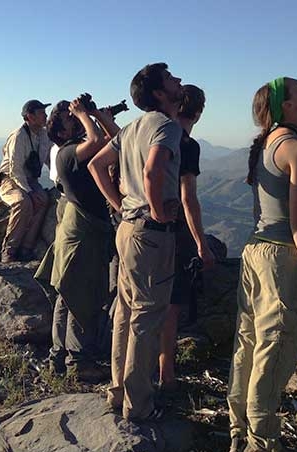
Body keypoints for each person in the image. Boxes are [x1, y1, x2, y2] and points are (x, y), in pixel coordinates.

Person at [226, 77, 297, 452]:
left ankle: (239, 429)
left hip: (254, 252)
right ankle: (261, 445)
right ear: (287, 105)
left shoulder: (267, 143)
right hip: (282, 257)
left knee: (248, 342)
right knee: (276, 347)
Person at [88, 63, 184, 421]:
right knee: (146, 315)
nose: (179, 81)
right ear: (159, 93)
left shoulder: (130, 129)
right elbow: (152, 170)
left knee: (125, 312)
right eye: (172, 79)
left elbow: (97, 166)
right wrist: (157, 210)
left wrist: (120, 205)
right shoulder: (166, 127)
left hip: (127, 228)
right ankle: (139, 405)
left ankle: (118, 393)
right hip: (151, 234)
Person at [42, 96, 120, 381]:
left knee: (67, 294)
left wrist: (97, 115)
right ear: (61, 132)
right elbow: (98, 141)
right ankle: (79, 363)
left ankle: (59, 359)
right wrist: (87, 116)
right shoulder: (67, 153)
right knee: (80, 296)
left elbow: (117, 141)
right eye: (68, 118)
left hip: (81, 229)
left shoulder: (73, 150)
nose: (74, 119)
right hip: (81, 233)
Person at [157, 84, 216, 392]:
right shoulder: (186, 144)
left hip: (132, 226)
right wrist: (202, 244)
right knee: (171, 304)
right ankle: (166, 374)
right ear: (198, 112)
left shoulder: (150, 134)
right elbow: (188, 198)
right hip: (172, 231)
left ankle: (130, 372)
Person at [0, 100, 52, 263]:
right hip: (9, 179)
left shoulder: (43, 135)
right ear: (30, 117)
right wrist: (29, 191)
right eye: (41, 113)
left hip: (29, 178)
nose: (45, 116)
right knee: (23, 202)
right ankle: (9, 251)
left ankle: (26, 248)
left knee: (43, 200)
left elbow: (49, 159)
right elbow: (15, 170)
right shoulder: (19, 136)